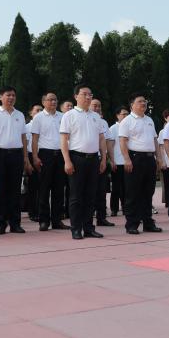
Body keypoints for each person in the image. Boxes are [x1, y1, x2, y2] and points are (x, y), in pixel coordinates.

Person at [59, 85, 106, 239]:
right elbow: (63, 140)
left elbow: (101, 139)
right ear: (76, 96)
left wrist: (103, 158)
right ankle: (76, 228)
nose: (88, 97)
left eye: (90, 94)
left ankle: (89, 228)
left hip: (93, 159)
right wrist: (67, 161)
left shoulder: (96, 116)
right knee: (76, 196)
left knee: (91, 195)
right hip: (76, 158)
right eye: (84, 94)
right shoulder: (69, 115)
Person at [0, 86, 31, 235]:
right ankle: (0, 223)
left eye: (13, 95)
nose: (11, 98)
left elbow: (23, 137)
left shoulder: (20, 115)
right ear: (1, 97)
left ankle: (15, 223)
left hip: (16, 155)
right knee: (0, 190)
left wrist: (25, 157)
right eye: (8, 95)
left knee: (15, 190)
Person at [118, 93, 163, 235]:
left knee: (148, 192)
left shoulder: (149, 120)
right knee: (133, 193)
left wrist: (159, 158)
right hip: (135, 158)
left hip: (149, 159)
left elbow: (155, 140)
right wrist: (126, 159)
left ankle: (148, 223)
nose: (143, 103)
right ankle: (132, 224)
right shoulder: (127, 121)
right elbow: (122, 141)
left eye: (144, 101)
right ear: (132, 105)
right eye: (140, 101)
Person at [32, 93, 67, 231]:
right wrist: (35, 157)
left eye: (55, 99)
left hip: (61, 155)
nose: (53, 102)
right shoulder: (38, 117)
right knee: (44, 189)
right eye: (50, 99)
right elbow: (35, 139)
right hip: (45, 155)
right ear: (43, 102)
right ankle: (44, 220)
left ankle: (57, 220)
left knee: (59, 189)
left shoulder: (63, 116)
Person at [90, 98, 114, 227]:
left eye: (99, 106)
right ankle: (86, 219)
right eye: (94, 105)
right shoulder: (85, 119)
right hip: (87, 158)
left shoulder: (103, 122)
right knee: (88, 191)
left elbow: (108, 142)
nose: (97, 108)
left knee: (101, 190)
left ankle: (101, 217)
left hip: (101, 159)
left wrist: (110, 159)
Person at [107, 106, 129, 217]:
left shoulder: (130, 126)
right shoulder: (113, 129)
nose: (125, 116)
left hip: (128, 162)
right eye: (123, 114)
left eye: (127, 114)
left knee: (127, 187)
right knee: (116, 187)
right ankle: (114, 209)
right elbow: (110, 146)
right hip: (117, 162)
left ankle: (126, 208)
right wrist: (112, 160)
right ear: (117, 115)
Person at [24, 104, 43, 222]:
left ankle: (42, 211)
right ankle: (32, 211)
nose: (39, 112)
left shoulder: (44, 124)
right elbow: (25, 145)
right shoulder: (27, 127)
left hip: (44, 155)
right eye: (37, 110)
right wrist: (26, 161)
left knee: (43, 186)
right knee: (33, 186)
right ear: (31, 113)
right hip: (31, 156)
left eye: (41, 110)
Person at [157, 109, 169, 208]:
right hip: (166, 162)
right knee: (167, 183)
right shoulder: (162, 132)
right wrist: (162, 161)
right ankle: (168, 202)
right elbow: (161, 147)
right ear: (165, 119)